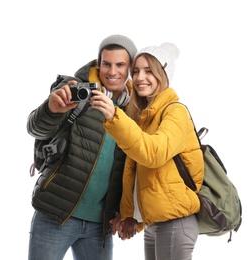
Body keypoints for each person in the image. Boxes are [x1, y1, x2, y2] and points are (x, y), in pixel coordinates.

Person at [27, 34, 138, 260]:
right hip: (55, 214)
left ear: (130, 69)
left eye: (120, 65)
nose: (112, 71)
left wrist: (126, 213)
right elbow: (34, 128)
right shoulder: (74, 90)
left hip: (101, 224)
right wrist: (51, 108)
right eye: (106, 63)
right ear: (99, 63)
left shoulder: (134, 110)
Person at [91, 42, 204, 259]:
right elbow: (137, 175)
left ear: (164, 74)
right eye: (136, 71)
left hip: (175, 222)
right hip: (156, 224)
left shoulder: (175, 112)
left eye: (149, 71)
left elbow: (153, 154)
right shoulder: (145, 117)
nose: (140, 77)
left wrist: (115, 117)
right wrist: (129, 216)